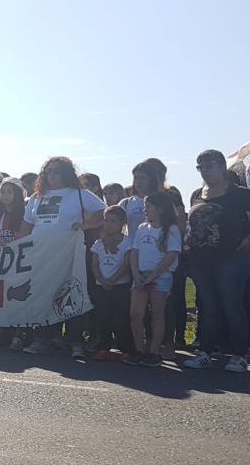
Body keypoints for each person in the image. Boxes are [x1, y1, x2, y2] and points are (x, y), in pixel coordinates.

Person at [20, 157, 106, 357]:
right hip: (40, 255)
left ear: (66, 173)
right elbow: (26, 225)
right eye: (48, 171)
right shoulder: (36, 197)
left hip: (68, 254)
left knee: (71, 293)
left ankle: (74, 339)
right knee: (43, 295)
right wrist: (19, 247)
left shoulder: (79, 194)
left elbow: (103, 211)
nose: (52, 175)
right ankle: (43, 338)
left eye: (56, 171)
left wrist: (85, 226)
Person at [184, 150, 250, 373]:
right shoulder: (196, 194)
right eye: (200, 166)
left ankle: (240, 354)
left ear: (223, 167)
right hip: (201, 259)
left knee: (232, 306)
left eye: (209, 166)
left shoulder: (241, 194)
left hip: (232, 257)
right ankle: (206, 351)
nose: (205, 171)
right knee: (208, 306)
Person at [124, 191, 182, 367]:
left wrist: (153, 276)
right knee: (136, 314)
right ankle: (139, 350)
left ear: (161, 209)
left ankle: (154, 351)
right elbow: (134, 252)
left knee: (157, 314)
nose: (145, 210)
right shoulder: (142, 228)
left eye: (148, 207)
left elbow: (171, 255)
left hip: (160, 276)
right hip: (140, 276)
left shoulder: (171, 229)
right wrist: (136, 275)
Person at [0, 177, 26, 350]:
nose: (6, 195)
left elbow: (25, 235)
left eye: (10, 192)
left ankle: (18, 334)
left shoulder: (24, 214)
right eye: (3, 192)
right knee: (0, 296)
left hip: (18, 262)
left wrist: (8, 243)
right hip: (0, 264)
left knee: (17, 296)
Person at [90, 205, 134, 360]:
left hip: (120, 285)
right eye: (106, 220)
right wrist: (102, 280)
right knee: (103, 317)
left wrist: (113, 280)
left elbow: (126, 264)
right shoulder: (98, 243)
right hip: (101, 286)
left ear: (122, 222)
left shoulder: (127, 242)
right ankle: (103, 346)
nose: (109, 224)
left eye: (113, 221)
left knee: (121, 317)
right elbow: (95, 264)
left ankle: (126, 348)